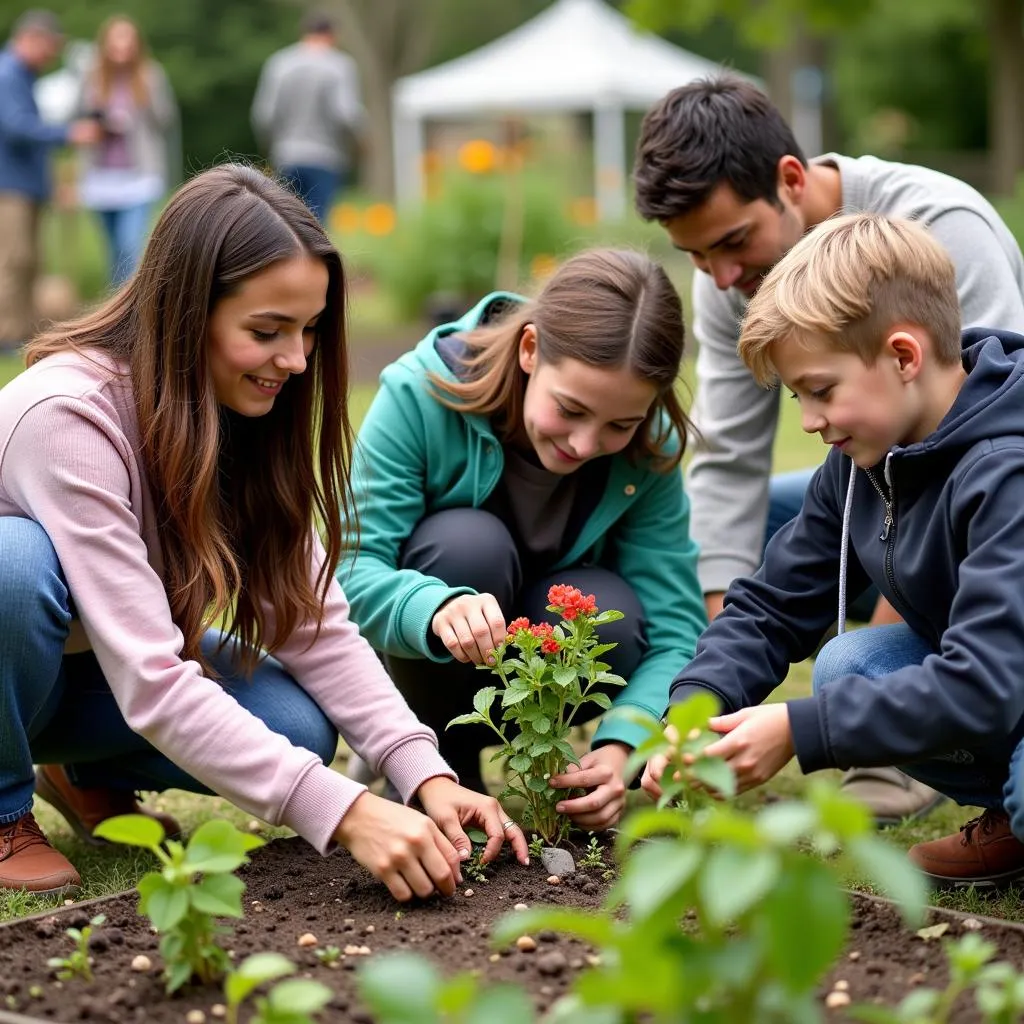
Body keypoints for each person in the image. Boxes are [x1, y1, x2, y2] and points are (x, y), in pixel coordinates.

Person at [0, 162, 528, 900]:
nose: (297, 359)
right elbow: (154, 680)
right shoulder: (68, 416)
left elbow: (313, 626)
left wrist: (424, 774)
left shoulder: (237, 409)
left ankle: (81, 770)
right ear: (187, 314)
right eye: (267, 330)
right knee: (14, 568)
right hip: (17, 654)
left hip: (77, 669)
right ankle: (2, 804)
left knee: (298, 731)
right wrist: (346, 812)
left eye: (309, 329)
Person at [633, 75, 1024, 824]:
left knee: (874, 695)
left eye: (819, 390)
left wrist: (806, 729)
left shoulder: (1003, 464)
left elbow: (984, 675)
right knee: (849, 670)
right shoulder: (858, 454)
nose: (809, 422)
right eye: (796, 398)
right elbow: (770, 594)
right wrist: (702, 709)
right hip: (964, 589)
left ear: (905, 356)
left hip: (994, 618)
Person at [336, 249, 708, 833]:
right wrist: (432, 607)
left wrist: (624, 746)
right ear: (530, 349)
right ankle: (431, 760)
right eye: (571, 409)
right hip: (432, 656)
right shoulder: (421, 393)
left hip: (544, 664)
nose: (585, 444)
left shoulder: (650, 447)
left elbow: (676, 628)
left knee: (611, 615)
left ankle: (552, 779)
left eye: (620, 424)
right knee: (466, 547)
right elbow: (349, 573)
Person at [0, 9, 100, 351]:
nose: (51, 56)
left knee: (29, 260)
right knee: (13, 260)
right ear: (31, 37)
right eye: (49, 47)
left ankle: (24, 331)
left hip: (24, 186)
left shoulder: (22, 75)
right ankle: (7, 335)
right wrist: (68, 133)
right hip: (9, 186)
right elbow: (16, 128)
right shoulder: (7, 73)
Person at [75, 15, 177, 287]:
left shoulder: (151, 75)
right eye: (115, 40)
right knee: (113, 251)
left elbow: (165, 120)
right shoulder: (92, 77)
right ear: (105, 45)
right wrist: (101, 120)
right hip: (101, 174)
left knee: (129, 246)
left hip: (139, 175)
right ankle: (117, 312)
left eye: (127, 40)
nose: (121, 47)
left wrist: (141, 105)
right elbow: (77, 117)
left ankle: (128, 311)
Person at [250, 11, 364, 225]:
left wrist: (269, 148)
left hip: (286, 155)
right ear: (331, 35)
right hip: (326, 157)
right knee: (317, 227)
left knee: (286, 224)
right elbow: (347, 114)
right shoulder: (340, 65)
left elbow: (264, 115)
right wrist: (360, 143)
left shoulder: (279, 64)